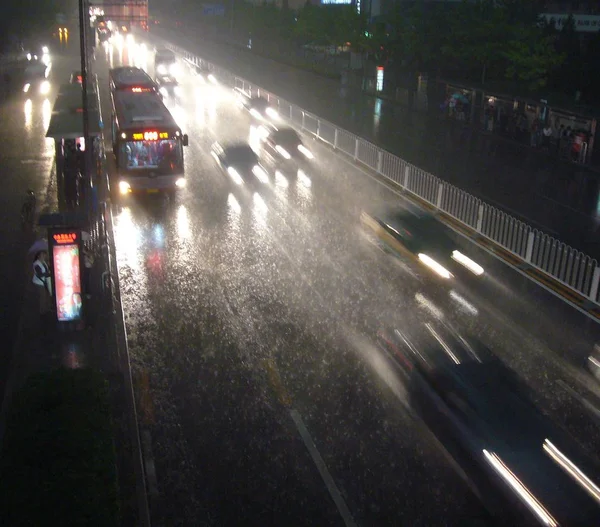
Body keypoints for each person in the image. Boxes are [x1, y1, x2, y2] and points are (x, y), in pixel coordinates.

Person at [32, 250, 53, 320]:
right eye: (43, 255)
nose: (44, 256)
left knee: (47, 295)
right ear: (39, 256)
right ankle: (42, 311)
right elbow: (40, 274)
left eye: (45, 255)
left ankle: (47, 308)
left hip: (45, 282)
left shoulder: (43, 262)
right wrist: (48, 273)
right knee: (43, 296)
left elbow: (47, 269)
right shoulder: (36, 264)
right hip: (39, 283)